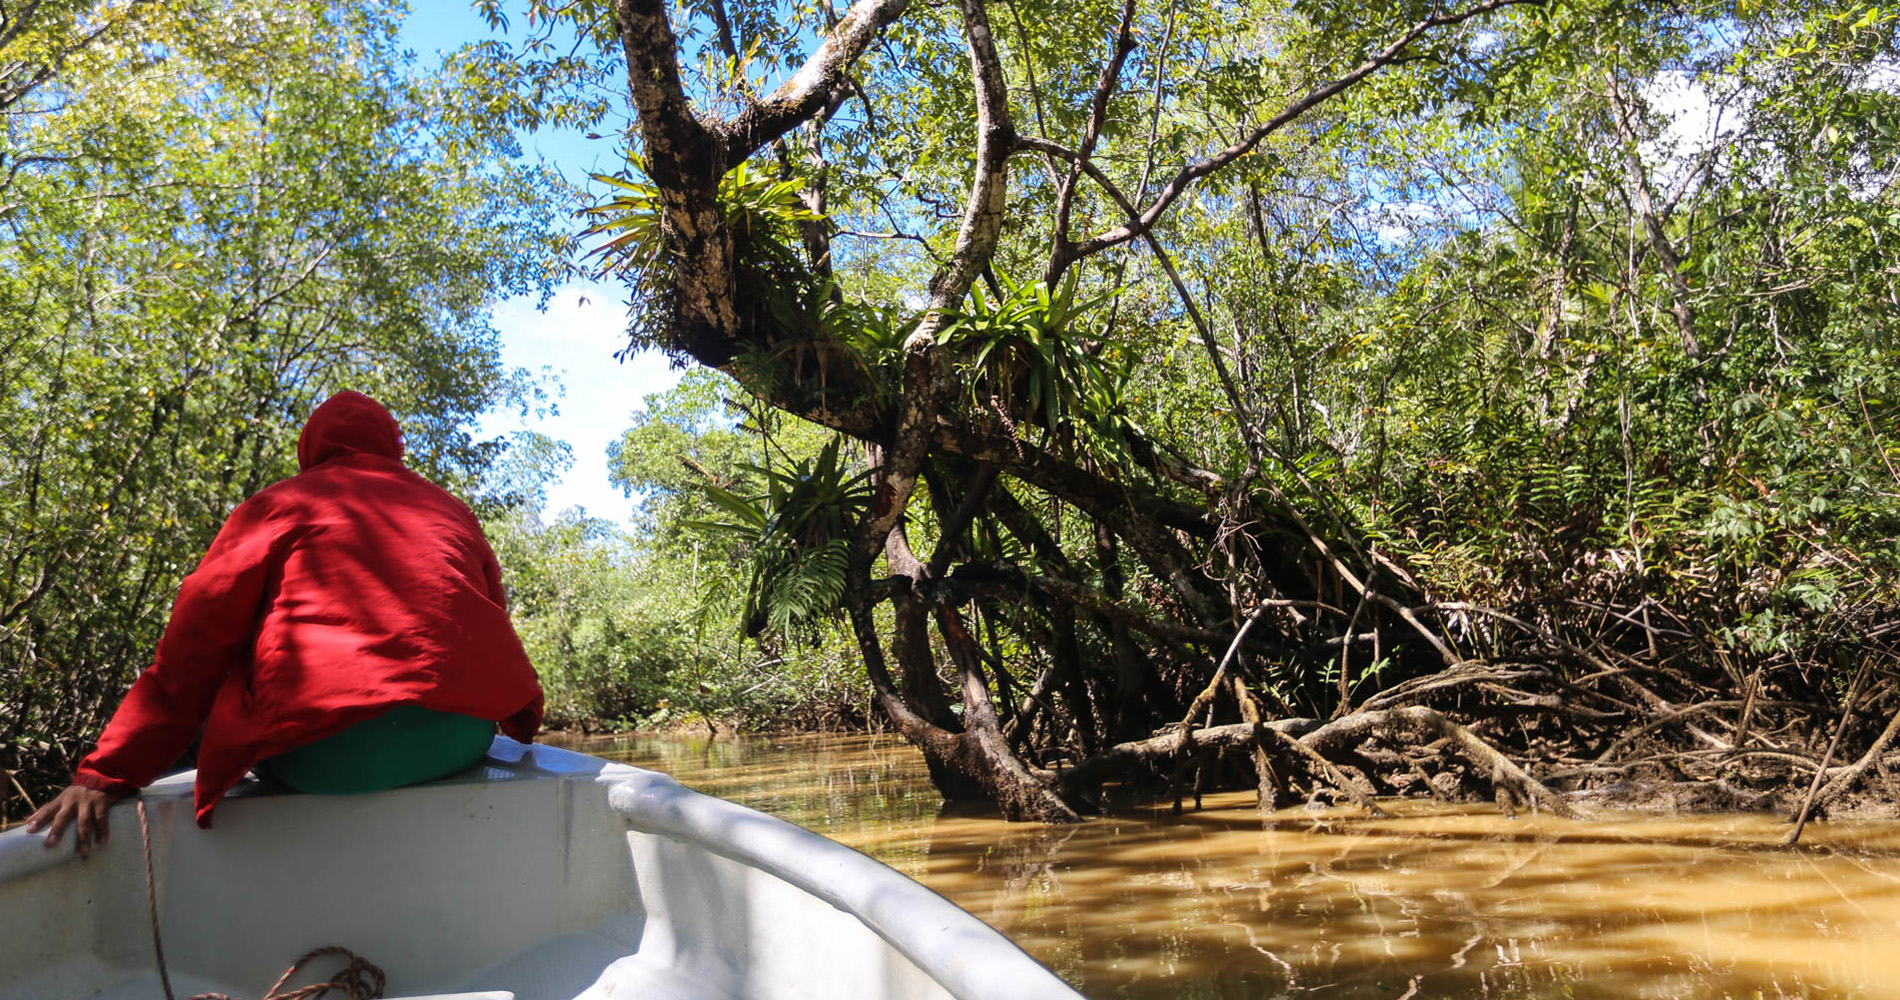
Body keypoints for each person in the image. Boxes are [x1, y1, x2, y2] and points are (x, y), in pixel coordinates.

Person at [26, 391, 545, 855]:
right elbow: (489, 623)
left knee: (249, 657)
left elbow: (194, 651)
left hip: (319, 758)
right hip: (455, 740)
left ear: (309, 451)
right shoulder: (451, 511)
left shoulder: (274, 506)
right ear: (393, 448)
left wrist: (107, 772)